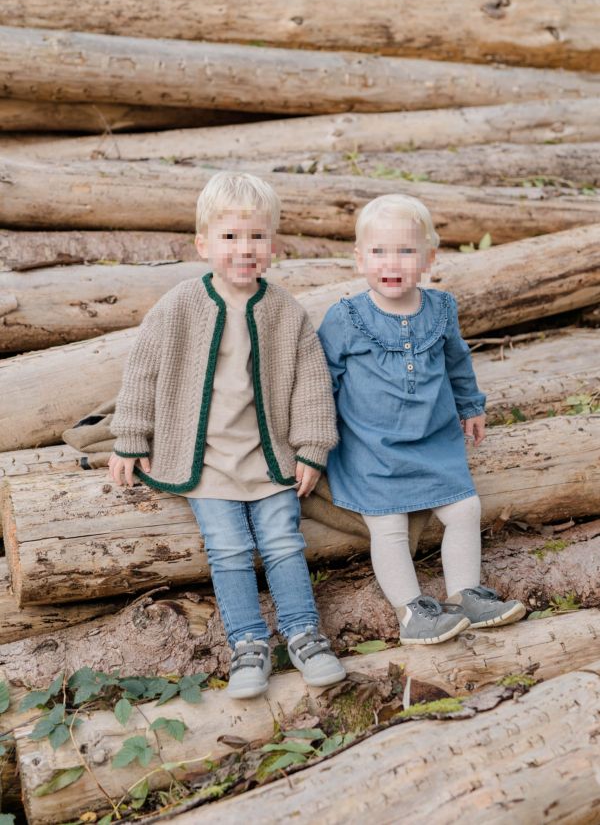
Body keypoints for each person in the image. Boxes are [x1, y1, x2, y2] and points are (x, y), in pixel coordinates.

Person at [108, 172, 346, 697]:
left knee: (283, 541)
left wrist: (311, 448)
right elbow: (144, 369)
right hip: (206, 459)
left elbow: (311, 383)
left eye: (257, 237)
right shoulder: (179, 305)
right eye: (231, 237)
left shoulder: (285, 311)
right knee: (229, 548)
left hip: (268, 456)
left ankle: (304, 635)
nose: (245, 249)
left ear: (273, 245)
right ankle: (248, 644)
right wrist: (131, 436)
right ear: (203, 244)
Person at [317, 194, 526, 645]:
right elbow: (321, 380)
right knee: (389, 525)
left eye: (405, 251)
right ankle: (411, 611)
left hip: (434, 440)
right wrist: (315, 440)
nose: (391, 263)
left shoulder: (440, 309)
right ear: (359, 259)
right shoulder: (346, 317)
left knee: (464, 509)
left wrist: (470, 406)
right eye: (379, 251)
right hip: (372, 449)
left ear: (429, 258)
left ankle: (466, 594)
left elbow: (457, 362)